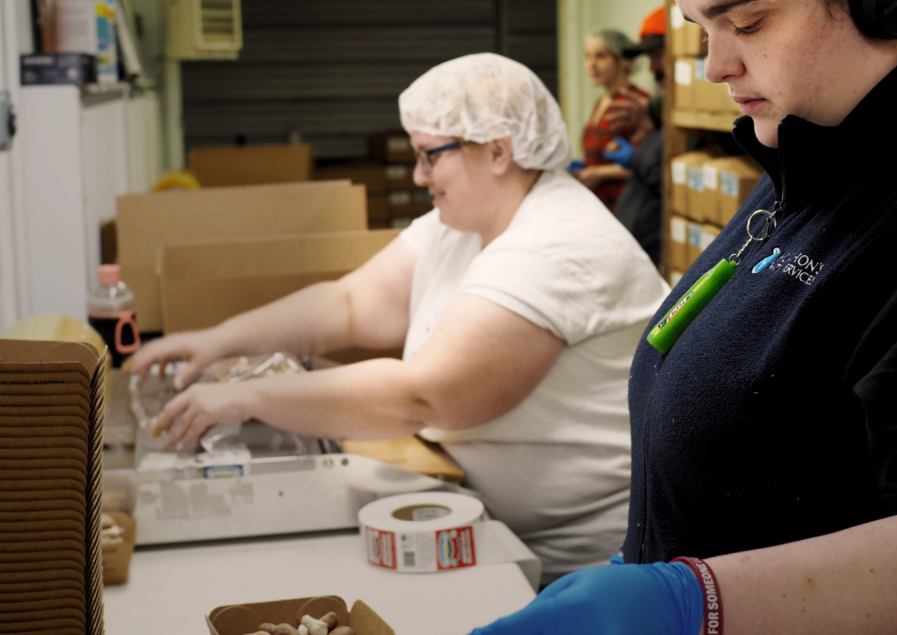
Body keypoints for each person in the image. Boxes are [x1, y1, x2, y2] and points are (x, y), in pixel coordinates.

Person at [472, 0, 897, 633]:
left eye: (746, 22)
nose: (712, 65)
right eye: (701, 27)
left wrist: (697, 600)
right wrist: (659, 551)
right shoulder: (811, 152)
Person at [129, 53, 670, 582]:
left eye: (430, 155)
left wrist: (247, 397)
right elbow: (350, 303)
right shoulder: (464, 220)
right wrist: (217, 340)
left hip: (574, 571)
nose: (417, 175)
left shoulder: (555, 247)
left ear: (499, 151)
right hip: (486, 528)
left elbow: (425, 395)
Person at [603, 7, 669, 267]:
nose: (652, 67)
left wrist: (635, 158)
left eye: (657, 55)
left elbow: (668, 177)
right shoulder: (657, 110)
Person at [573, 30, 652, 211]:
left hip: (626, 207)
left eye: (600, 56)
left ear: (623, 60)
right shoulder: (600, 102)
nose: (592, 65)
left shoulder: (636, 103)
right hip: (598, 207)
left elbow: (649, 164)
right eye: (588, 56)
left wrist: (599, 173)